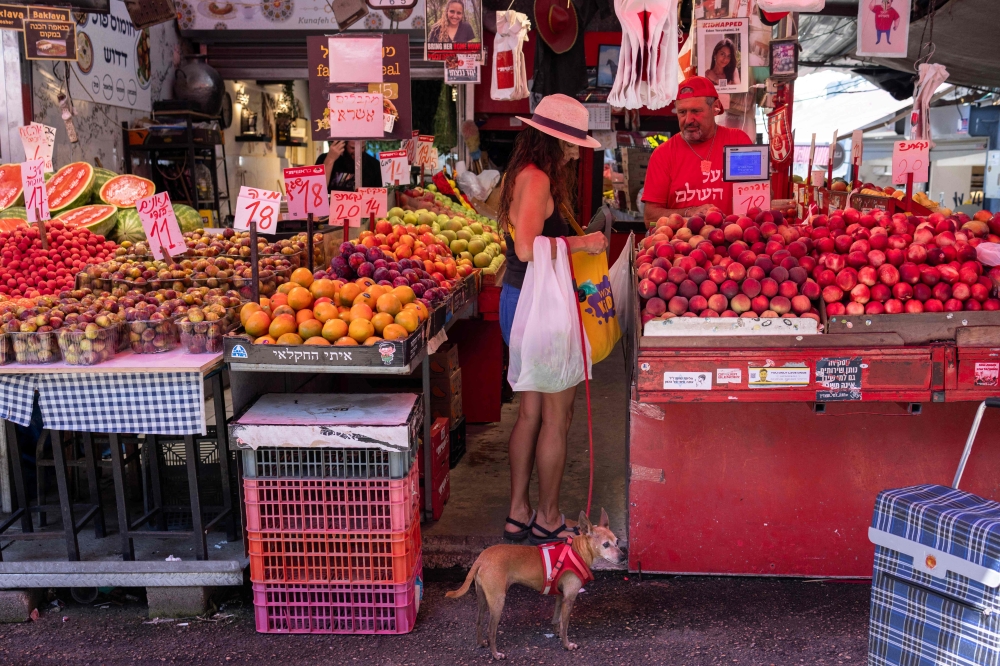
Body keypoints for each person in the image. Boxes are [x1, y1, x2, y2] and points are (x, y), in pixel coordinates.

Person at [498, 94, 607, 544]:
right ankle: (547, 515)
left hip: (519, 300)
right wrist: (585, 244)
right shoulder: (538, 179)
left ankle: (518, 512)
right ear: (553, 141)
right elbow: (527, 248)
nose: (575, 151)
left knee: (530, 414)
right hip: (535, 305)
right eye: (570, 143)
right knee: (556, 417)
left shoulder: (520, 175)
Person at [642, 76, 753, 223]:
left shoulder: (737, 141)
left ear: (715, 107)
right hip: (681, 244)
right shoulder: (663, 154)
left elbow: (756, 197)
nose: (688, 120)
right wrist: (689, 213)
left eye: (696, 111)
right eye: (682, 112)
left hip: (732, 242)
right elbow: (650, 217)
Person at [315, 141, 382, 191]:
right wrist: (330, 159)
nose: (357, 152)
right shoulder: (324, 159)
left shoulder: (374, 164)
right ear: (343, 145)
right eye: (353, 148)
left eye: (362, 147)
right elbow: (317, 190)